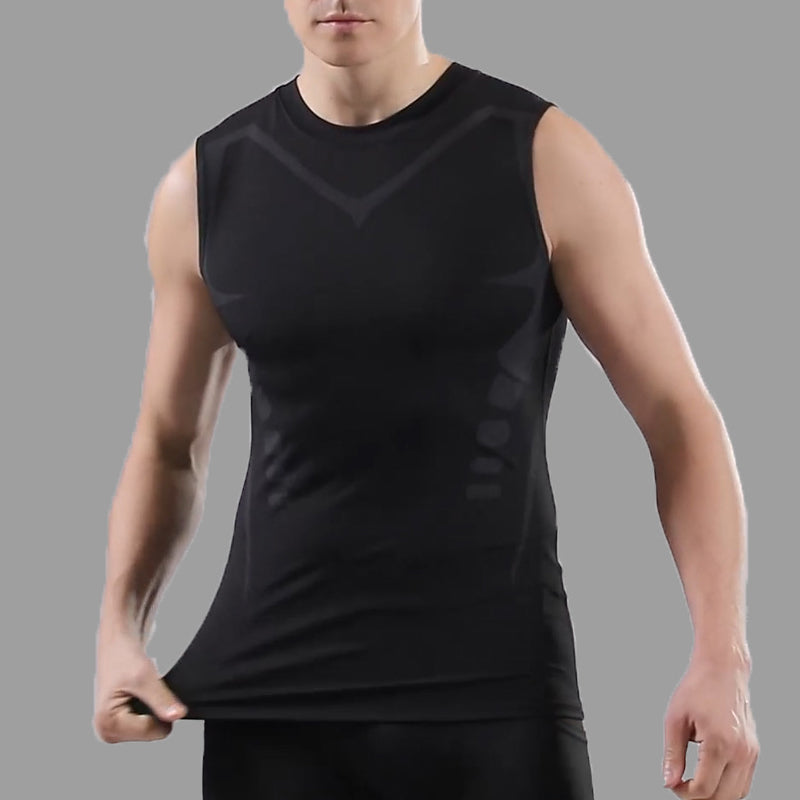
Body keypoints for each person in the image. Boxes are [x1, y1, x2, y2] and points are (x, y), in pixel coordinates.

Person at [93, 1, 759, 798]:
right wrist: (119, 630)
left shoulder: (541, 155)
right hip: (271, 710)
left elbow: (678, 417)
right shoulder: (206, 183)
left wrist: (722, 657)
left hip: (496, 698)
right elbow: (167, 442)